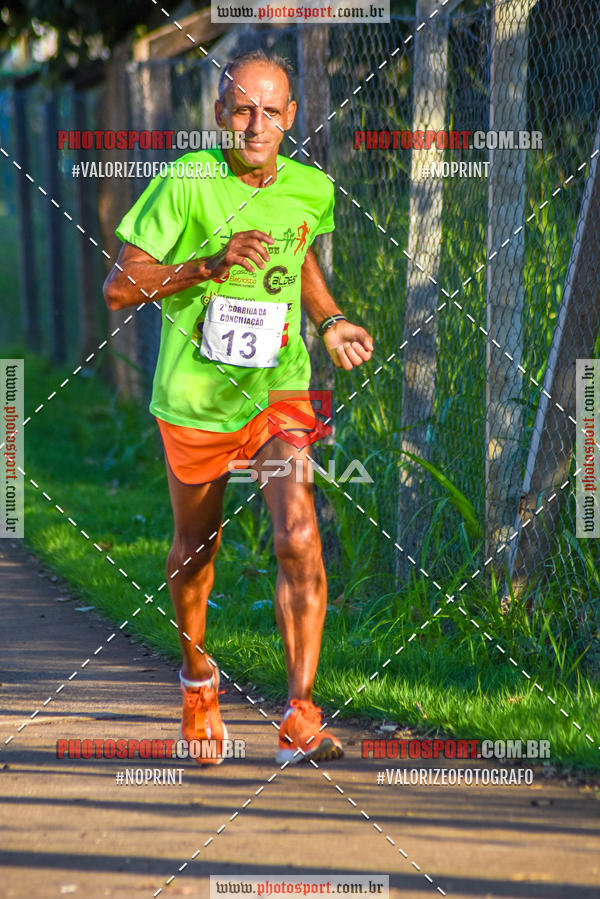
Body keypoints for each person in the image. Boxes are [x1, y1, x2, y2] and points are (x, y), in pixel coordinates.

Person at [103, 49, 373, 765]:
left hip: (277, 394)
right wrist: (209, 265)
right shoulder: (187, 180)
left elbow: (301, 254)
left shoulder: (311, 188)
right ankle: (197, 678)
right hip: (195, 399)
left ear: (291, 119)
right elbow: (120, 288)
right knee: (197, 552)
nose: (256, 124)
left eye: (271, 111)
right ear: (220, 113)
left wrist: (329, 319)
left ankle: (300, 711)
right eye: (242, 109)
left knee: (299, 535)